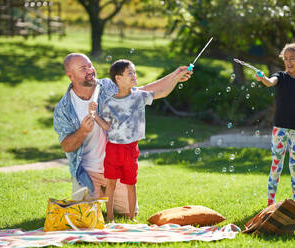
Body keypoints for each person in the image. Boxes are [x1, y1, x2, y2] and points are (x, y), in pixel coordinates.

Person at [53, 53, 192, 216]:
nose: (90, 70)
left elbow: (142, 91)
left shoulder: (107, 87)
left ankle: (105, 194)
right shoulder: (64, 108)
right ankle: (96, 192)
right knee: (84, 217)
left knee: (129, 213)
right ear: (70, 75)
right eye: (83, 68)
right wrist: (82, 131)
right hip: (88, 173)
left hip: (116, 166)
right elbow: (66, 146)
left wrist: (175, 76)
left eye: (90, 65)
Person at [89, 59, 192, 221]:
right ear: (118, 78)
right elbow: (107, 126)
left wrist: (176, 77)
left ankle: (131, 218)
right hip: (113, 149)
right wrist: (94, 116)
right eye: (130, 73)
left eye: (134, 72)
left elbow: (163, 92)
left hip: (130, 149)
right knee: (111, 184)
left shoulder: (139, 96)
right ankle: (109, 217)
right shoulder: (109, 103)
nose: (134, 76)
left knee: (131, 184)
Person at [255, 43, 295, 206]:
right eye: (286, 59)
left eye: (292, 59)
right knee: (276, 164)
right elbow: (270, 82)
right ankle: (270, 203)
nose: (288, 62)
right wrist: (263, 78)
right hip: (280, 128)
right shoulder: (281, 77)